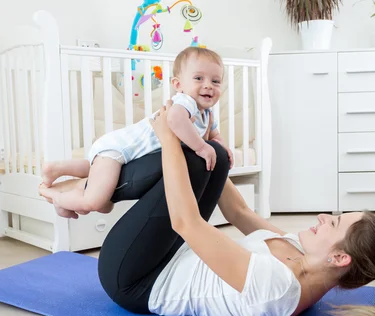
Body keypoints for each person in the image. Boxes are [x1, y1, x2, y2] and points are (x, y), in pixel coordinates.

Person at [84, 99, 375, 316]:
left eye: (335, 223)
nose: (324, 217)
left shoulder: (278, 287)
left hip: (135, 279)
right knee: (211, 157)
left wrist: (168, 136)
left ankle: (87, 191)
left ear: (339, 257)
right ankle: (92, 185)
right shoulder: (304, 254)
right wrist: (209, 145)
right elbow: (240, 212)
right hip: (168, 256)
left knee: (187, 157)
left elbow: (186, 223)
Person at [38, 46, 233, 219]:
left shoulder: (206, 113)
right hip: (117, 150)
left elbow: (215, 136)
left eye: (215, 81)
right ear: (178, 85)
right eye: (199, 78)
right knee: (96, 202)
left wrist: (223, 148)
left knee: (101, 191)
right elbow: (175, 120)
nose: (208, 85)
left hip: (122, 153)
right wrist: (201, 147)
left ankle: (56, 169)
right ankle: (56, 196)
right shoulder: (184, 103)